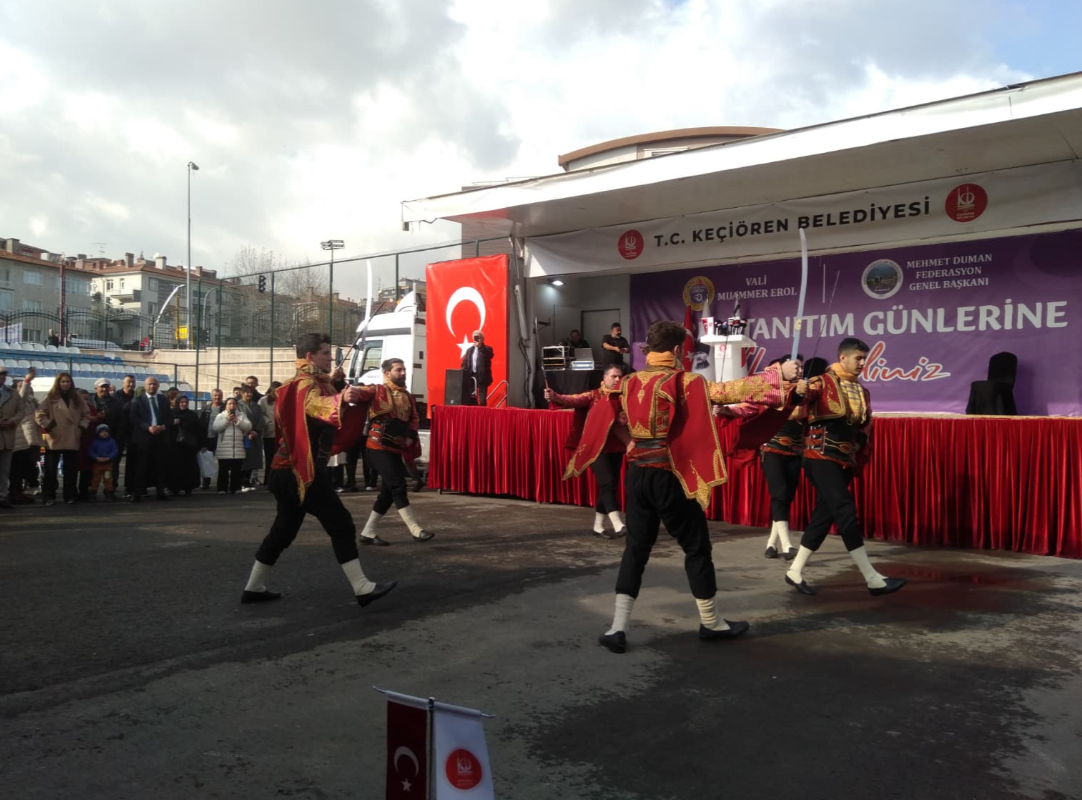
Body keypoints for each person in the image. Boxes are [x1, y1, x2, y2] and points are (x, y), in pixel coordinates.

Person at [599, 320, 799, 654]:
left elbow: (609, 414)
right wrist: (777, 375)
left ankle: (617, 627)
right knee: (696, 547)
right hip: (670, 475)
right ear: (677, 350)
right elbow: (729, 391)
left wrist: (632, 442)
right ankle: (711, 623)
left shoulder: (630, 382)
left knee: (636, 549)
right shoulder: (685, 381)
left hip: (637, 475)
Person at [240, 332, 397, 608]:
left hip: (284, 472)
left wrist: (334, 385)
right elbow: (317, 407)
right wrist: (340, 397)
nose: (330, 357)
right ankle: (362, 587)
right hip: (301, 473)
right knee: (341, 523)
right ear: (310, 356)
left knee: (283, 530)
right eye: (326, 352)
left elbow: (316, 402)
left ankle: (254, 586)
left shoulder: (300, 383)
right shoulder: (306, 387)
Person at [784, 338, 907, 598]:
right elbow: (796, 403)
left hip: (843, 459)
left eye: (864, 359)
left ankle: (794, 570)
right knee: (845, 509)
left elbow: (863, 428)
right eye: (858, 358)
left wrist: (859, 449)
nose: (862, 363)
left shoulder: (862, 392)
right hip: (819, 455)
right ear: (843, 358)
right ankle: (872, 578)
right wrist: (798, 390)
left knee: (824, 515)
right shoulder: (821, 382)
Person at [544, 364, 630, 539]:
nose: (616, 379)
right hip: (595, 449)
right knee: (607, 484)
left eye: (619, 377)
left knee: (609, 485)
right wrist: (555, 396)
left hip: (616, 447)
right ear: (604, 378)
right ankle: (618, 523)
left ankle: (598, 527)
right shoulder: (594, 396)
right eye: (613, 376)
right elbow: (572, 400)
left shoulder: (624, 398)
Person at [356, 358, 433, 545]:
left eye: (404, 369)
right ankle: (415, 529)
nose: (403, 373)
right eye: (399, 370)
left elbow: (414, 418)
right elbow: (356, 394)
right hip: (376, 448)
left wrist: (411, 436)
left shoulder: (407, 395)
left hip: (395, 448)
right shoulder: (376, 391)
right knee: (398, 485)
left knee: (389, 492)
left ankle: (368, 532)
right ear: (387, 373)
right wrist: (342, 386)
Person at [36, 372, 89, 505]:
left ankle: (70, 495)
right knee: (50, 470)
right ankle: (49, 496)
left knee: (71, 470)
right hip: (54, 437)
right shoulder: (50, 397)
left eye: (68, 382)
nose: (65, 384)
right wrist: (49, 425)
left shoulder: (77, 398)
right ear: (58, 383)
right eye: (63, 382)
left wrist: (81, 427)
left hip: (72, 436)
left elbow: (86, 414)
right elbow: (39, 414)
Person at [128, 376, 172, 502]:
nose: (152, 386)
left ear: (158, 386)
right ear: (145, 386)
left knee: (160, 466)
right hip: (144, 438)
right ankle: (137, 493)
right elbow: (133, 417)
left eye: (154, 384)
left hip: (161, 437)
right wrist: (147, 427)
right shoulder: (138, 400)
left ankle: (160, 492)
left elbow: (169, 417)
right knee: (141, 466)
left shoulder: (163, 400)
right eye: (149, 384)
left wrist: (162, 427)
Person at [10, 372, 42, 505]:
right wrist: (27, 381)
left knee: (24, 468)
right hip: (18, 439)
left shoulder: (31, 402)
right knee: (16, 469)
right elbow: (22, 396)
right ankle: (15, 494)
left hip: (28, 440)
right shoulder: (17, 400)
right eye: (20, 386)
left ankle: (19, 492)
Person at [0, 365, 26, 509]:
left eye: (4, 374)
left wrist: (12, 421)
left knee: (4, 471)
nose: (2, 377)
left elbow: (21, 411)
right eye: (0, 374)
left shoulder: (12, 393)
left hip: (8, 436)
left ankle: (2, 497)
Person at [213, 396, 251, 494]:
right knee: (223, 470)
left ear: (236, 405)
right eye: (229, 404)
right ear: (226, 406)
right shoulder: (220, 416)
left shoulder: (242, 415)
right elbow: (216, 428)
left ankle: (236, 488)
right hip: (224, 448)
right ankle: (222, 489)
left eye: (233, 404)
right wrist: (227, 420)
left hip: (238, 448)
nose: (231, 405)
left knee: (237, 470)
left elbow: (248, 426)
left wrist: (237, 421)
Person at [170, 395, 201, 496]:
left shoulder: (192, 415)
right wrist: (173, 423)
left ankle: (188, 487)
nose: (183, 404)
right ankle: (175, 488)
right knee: (175, 467)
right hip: (175, 446)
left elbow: (198, 429)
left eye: (185, 402)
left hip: (189, 446)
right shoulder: (172, 414)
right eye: (181, 402)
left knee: (189, 468)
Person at [239, 385, 265, 491]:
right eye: (246, 392)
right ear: (242, 393)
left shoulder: (256, 406)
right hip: (242, 435)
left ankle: (248, 480)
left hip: (254, 436)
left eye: (250, 392)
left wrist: (256, 431)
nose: (248, 394)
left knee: (252, 459)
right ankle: (241, 481)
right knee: (243, 459)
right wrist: (247, 431)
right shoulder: (237, 405)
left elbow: (261, 421)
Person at [199, 388, 225, 489]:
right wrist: (202, 442)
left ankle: (221, 484)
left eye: (219, 395)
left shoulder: (225, 409)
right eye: (215, 395)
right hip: (208, 438)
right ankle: (206, 482)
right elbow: (201, 426)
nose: (217, 397)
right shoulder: (205, 409)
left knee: (222, 462)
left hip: (221, 439)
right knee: (207, 462)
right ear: (211, 396)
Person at [115, 375, 137, 496]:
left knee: (132, 462)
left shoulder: (137, 396)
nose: (131, 385)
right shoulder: (116, 397)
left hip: (133, 433)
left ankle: (129, 487)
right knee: (115, 462)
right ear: (123, 383)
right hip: (118, 433)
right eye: (128, 382)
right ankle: (112, 488)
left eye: (133, 382)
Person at [460, 329, 494, 406]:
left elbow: (490, 355)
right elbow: (465, 361)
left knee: (482, 398)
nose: (476, 339)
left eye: (478, 337)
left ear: (482, 339)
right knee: (471, 397)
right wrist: (463, 371)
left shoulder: (487, 349)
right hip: (471, 375)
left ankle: (483, 413)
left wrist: (480, 347)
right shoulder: (469, 350)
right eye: (475, 337)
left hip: (482, 376)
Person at [87, 423, 119, 502]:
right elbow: (91, 451)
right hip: (97, 464)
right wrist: (96, 457)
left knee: (108, 479)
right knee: (95, 479)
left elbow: (115, 451)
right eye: (102, 432)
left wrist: (109, 457)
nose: (104, 433)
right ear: (98, 433)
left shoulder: (111, 441)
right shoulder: (95, 442)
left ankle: (109, 493)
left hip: (107, 464)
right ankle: (93, 494)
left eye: (106, 431)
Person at [258, 382, 281, 486]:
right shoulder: (263, 401)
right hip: (269, 434)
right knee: (270, 458)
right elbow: (260, 414)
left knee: (280, 459)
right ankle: (268, 480)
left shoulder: (283, 399)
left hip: (281, 435)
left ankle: (279, 480)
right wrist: (268, 422)